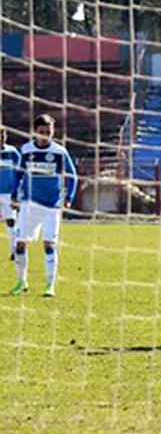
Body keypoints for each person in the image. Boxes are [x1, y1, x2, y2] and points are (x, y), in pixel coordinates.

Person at [10, 114, 77, 297]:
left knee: (49, 244)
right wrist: (14, 194)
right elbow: (18, 175)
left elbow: (72, 176)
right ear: (35, 132)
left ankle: (50, 285)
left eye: (48, 132)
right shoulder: (26, 150)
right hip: (29, 205)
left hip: (51, 207)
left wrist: (69, 197)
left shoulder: (60, 152)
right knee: (20, 245)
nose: (45, 135)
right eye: (41, 132)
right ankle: (21, 282)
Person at [0, 127, 21, 262]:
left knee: (11, 221)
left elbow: (20, 170)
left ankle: (14, 251)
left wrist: (17, 190)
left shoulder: (12, 152)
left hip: (8, 193)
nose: (2, 137)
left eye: (3, 135)